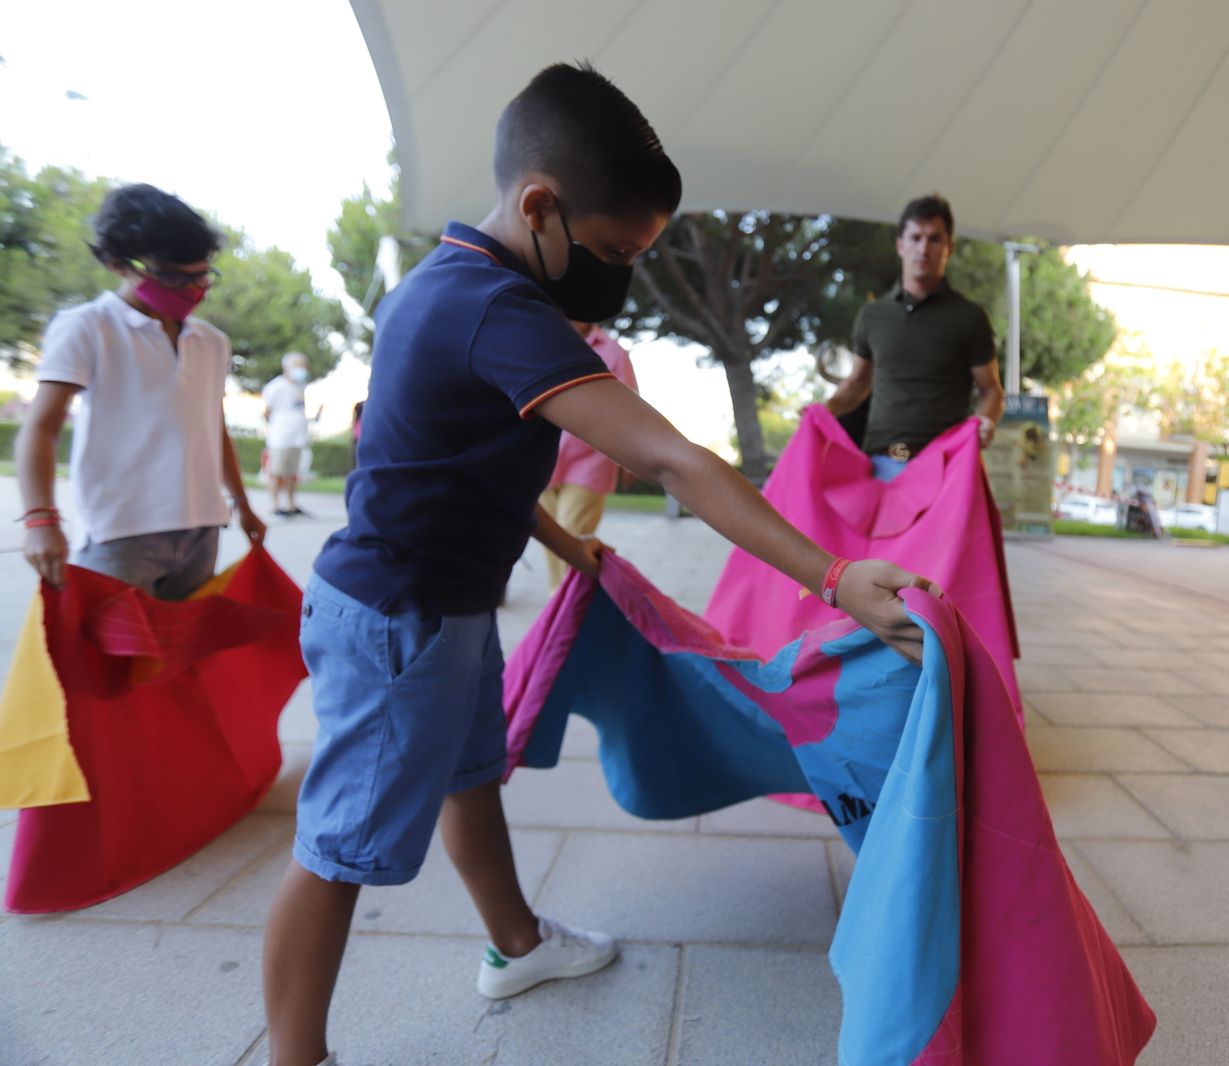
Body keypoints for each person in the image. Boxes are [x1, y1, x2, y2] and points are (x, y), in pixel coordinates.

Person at [261, 63, 931, 1066]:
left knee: (470, 776)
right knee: (337, 849)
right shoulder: (498, 310)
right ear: (540, 206)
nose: (619, 273)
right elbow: (669, 456)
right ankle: (293, 1055)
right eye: (615, 250)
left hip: (438, 608)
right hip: (399, 622)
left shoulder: (439, 287)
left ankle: (515, 944)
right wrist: (832, 577)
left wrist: (563, 540)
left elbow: (442, 459)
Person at [16, 184, 266, 600]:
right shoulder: (88, 327)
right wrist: (41, 521)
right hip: (120, 533)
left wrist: (241, 503)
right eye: (170, 275)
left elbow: (212, 425)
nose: (191, 288)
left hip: (201, 528)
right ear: (117, 264)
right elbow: (40, 428)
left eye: (201, 275)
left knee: (180, 661)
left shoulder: (212, 341)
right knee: (108, 662)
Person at [824, 194, 1004, 481]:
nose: (924, 248)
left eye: (934, 239)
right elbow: (857, 384)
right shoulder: (873, 315)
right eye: (916, 237)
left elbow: (992, 390)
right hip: (880, 465)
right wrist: (822, 413)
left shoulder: (970, 317)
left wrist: (985, 421)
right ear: (900, 245)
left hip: (946, 467)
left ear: (949, 248)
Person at [539, 319, 638, 586]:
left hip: (591, 460)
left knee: (571, 537)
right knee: (551, 541)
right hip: (544, 455)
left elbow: (628, 406)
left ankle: (564, 606)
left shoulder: (613, 352)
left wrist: (631, 462)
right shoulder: (543, 341)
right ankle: (560, 603)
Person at [262, 352, 318, 517]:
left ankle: (291, 504)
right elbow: (267, 412)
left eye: (304, 366)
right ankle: (276, 505)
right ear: (287, 367)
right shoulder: (276, 386)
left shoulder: (301, 385)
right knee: (276, 472)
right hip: (281, 438)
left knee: (292, 473)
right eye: (298, 365)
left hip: (298, 437)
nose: (302, 369)